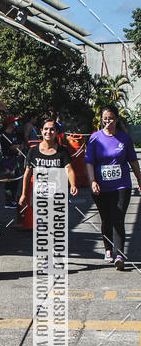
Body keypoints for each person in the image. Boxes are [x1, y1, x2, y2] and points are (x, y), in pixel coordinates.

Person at [85, 105, 141, 269]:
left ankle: (119, 254)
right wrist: (92, 181)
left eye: (111, 118)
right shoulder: (95, 138)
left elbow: (133, 161)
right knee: (106, 219)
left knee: (118, 218)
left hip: (121, 185)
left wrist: (139, 178)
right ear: (101, 120)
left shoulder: (125, 138)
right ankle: (108, 248)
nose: (108, 122)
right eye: (105, 119)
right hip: (101, 187)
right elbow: (89, 162)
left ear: (116, 119)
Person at [18, 119, 78, 209]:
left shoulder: (62, 151)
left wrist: (73, 185)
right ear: (41, 131)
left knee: (56, 223)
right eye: (46, 129)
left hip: (58, 196)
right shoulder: (33, 151)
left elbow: (69, 169)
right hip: (39, 197)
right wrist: (23, 194)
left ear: (56, 132)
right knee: (42, 223)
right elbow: (27, 173)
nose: (48, 132)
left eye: (52, 129)